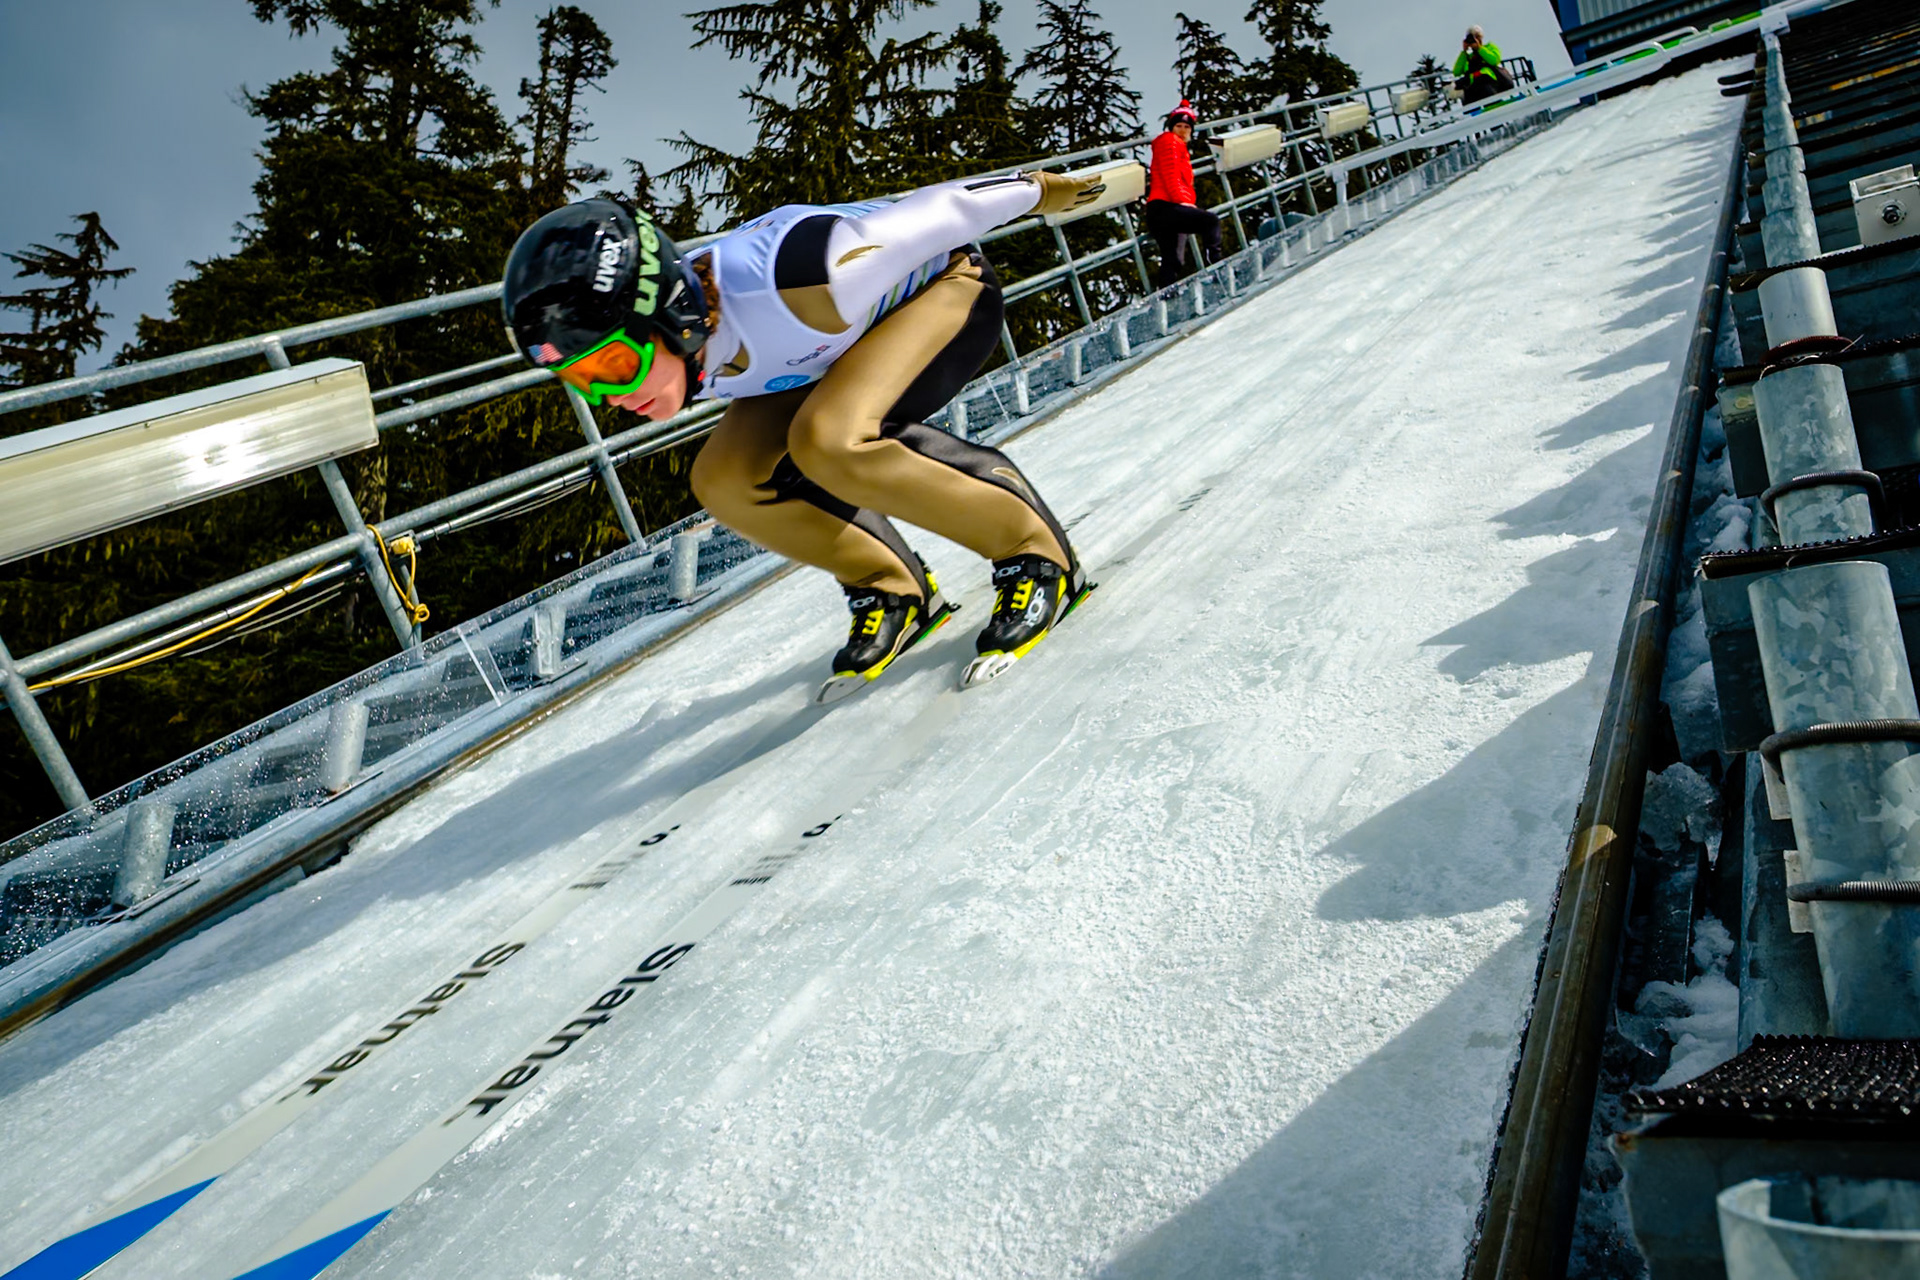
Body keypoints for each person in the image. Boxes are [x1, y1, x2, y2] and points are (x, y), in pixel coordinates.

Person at [501, 171, 1107, 699]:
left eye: (613, 366)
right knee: (725, 479)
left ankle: (1033, 550)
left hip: (945, 287)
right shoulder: (690, 345)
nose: (611, 399)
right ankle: (890, 587)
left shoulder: (797, 281)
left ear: (672, 313)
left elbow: (940, 214)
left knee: (830, 439)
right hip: (822, 351)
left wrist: (1042, 191)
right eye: (581, 380)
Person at [1143, 100, 1224, 290]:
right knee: (1210, 221)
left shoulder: (1179, 147)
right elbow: (1170, 174)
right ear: (1171, 127)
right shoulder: (1169, 141)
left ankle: (1166, 298)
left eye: (1187, 127)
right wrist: (1183, 202)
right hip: (1165, 207)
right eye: (1178, 125)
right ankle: (1217, 267)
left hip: (1163, 209)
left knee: (1173, 259)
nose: (1182, 130)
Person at [1454, 27, 1514, 105]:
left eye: (1477, 36)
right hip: (1473, 86)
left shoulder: (1489, 47)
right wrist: (1464, 52)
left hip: (1490, 81)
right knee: (1467, 94)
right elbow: (1456, 71)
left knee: (1485, 85)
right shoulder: (1469, 57)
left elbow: (1494, 60)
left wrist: (1480, 48)